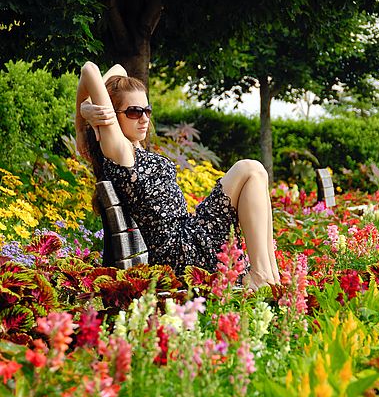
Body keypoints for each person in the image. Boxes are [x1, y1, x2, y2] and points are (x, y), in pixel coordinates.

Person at [75, 62, 280, 290]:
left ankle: (270, 275)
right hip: (179, 252)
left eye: (147, 110)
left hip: (189, 233)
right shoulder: (120, 150)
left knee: (256, 171)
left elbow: (120, 70)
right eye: (134, 112)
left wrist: (87, 107)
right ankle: (263, 277)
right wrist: (80, 124)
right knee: (249, 169)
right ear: (114, 116)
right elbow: (90, 70)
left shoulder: (131, 148)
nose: (144, 118)